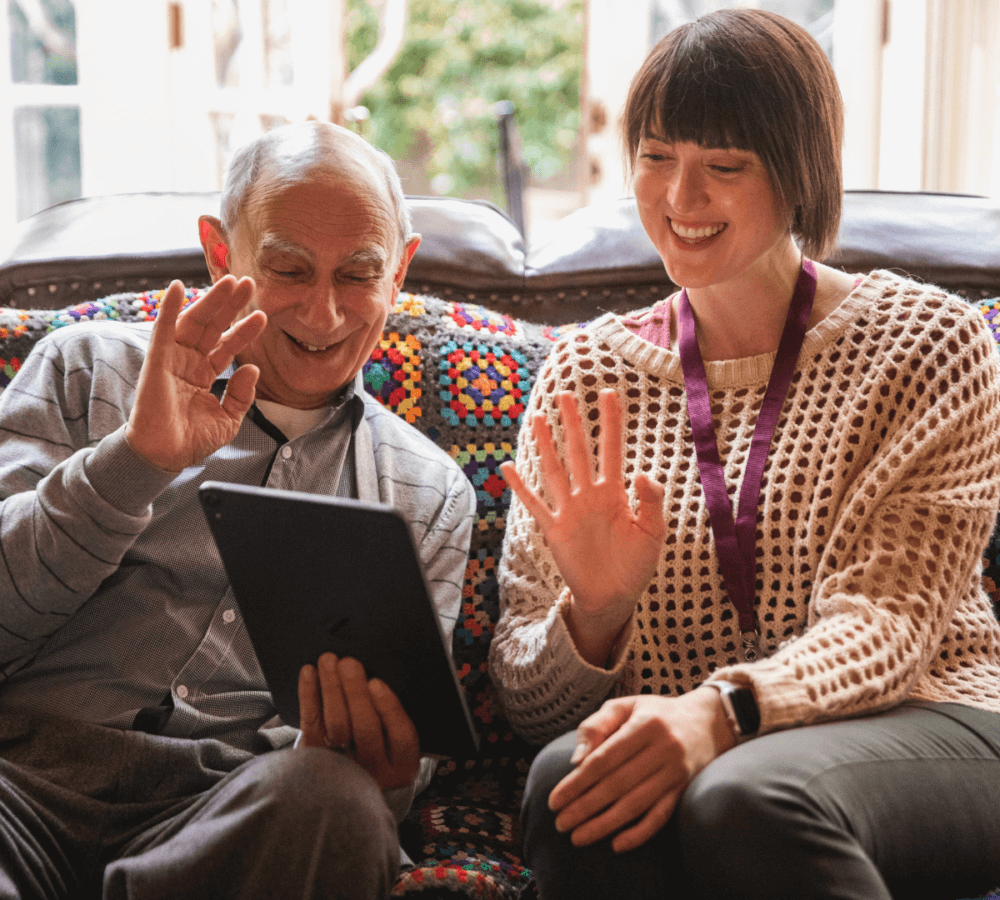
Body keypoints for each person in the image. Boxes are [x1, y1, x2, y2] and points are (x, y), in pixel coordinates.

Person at [488, 9, 1000, 900]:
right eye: (656, 158)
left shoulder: (930, 343)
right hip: (703, 743)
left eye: (724, 167)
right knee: (568, 783)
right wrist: (597, 617)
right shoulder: (583, 374)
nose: (681, 200)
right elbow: (532, 707)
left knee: (749, 794)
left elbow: (888, 625)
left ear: (800, 173)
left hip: (933, 716)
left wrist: (721, 711)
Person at [0, 121, 475, 899]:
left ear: (401, 273)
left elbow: (398, 770)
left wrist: (381, 772)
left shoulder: (428, 492)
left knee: (338, 805)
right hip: (21, 782)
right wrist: (133, 462)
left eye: (359, 275)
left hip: (225, 815)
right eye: (287, 268)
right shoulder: (85, 367)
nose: (323, 316)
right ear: (222, 253)